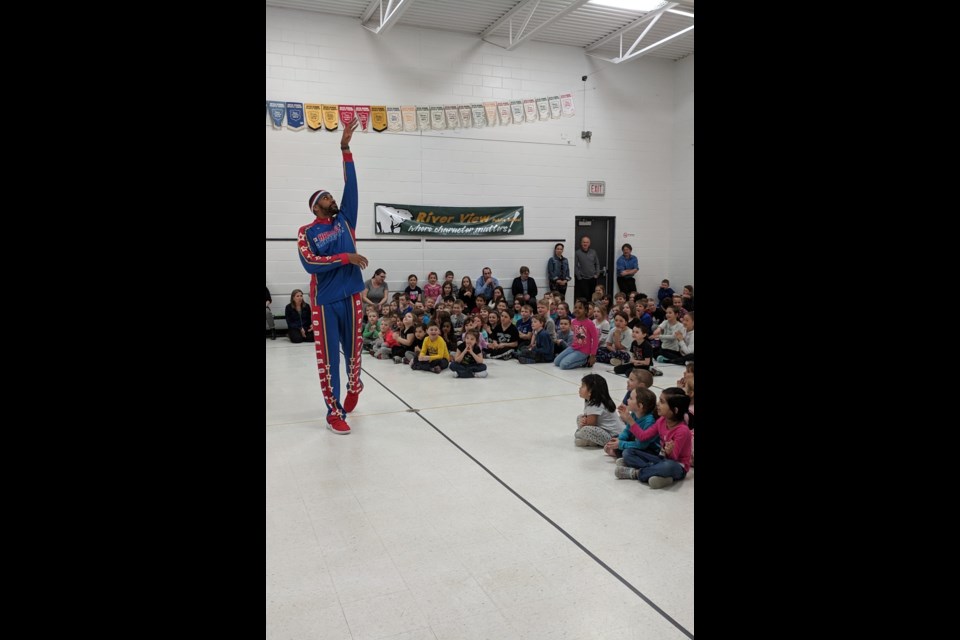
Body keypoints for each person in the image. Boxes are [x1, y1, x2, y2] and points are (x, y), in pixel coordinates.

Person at [295, 120, 367, 435]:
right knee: (329, 361)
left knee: (355, 351)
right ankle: (333, 413)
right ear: (316, 207)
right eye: (326, 198)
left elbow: (351, 185)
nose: (332, 199)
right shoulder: (307, 232)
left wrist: (345, 147)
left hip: (352, 294)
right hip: (324, 302)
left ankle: (355, 386)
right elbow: (311, 263)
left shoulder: (345, 220)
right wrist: (344, 258)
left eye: (330, 196)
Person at [615, 388, 692, 489]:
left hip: (677, 465)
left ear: (675, 410)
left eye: (662, 402)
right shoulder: (661, 421)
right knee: (628, 452)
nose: (658, 404)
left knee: (668, 466)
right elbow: (643, 437)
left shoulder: (682, 431)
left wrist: (669, 451)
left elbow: (673, 458)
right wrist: (630, 420)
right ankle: (658, 475)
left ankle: (636, 473)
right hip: (661, 458)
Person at [574, 374, 624, 447]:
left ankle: (590, 440)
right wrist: (583, 419)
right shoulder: (591, 401)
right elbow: (587, 416)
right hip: (605, 430)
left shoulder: (595, 405)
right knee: (580, 417)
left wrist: (583, 425)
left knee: (585, 430)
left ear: (590, 391)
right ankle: (591, 441)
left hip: (614, 437)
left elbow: (591, 424)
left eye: (583, 386)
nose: (580, 388)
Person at [574, 236, 600, 303]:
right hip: (582, 279)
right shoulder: (577, 253)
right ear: (581, 243)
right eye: (584, 242)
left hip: (593, 278)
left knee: (593, 297)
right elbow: (575, 265)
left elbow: (597, 264)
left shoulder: (593, 252)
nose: (585, 244)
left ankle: (592, 311)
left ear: (589, 243)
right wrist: (579, 277)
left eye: (587, 242)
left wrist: (597, 274)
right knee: (584, 297)